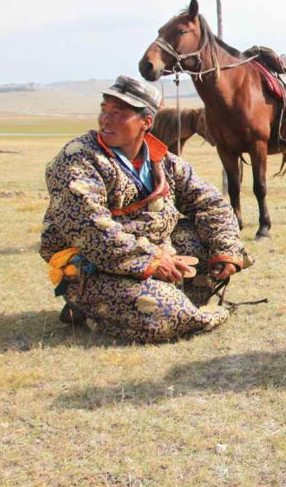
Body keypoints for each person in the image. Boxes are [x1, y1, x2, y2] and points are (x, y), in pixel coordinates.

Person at [41, 75, 253, 343]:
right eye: (105, 110)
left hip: (152, 254)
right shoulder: (77, 159)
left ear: (146, 122)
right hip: (97, 263)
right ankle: (87, 304)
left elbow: (211, 203)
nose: (106, 119)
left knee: (203, 242)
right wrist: (151, 259)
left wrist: (226, 250)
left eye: (119, 113)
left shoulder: (163, 161)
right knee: (162, 312)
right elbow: (89, 228)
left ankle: (151, 302)